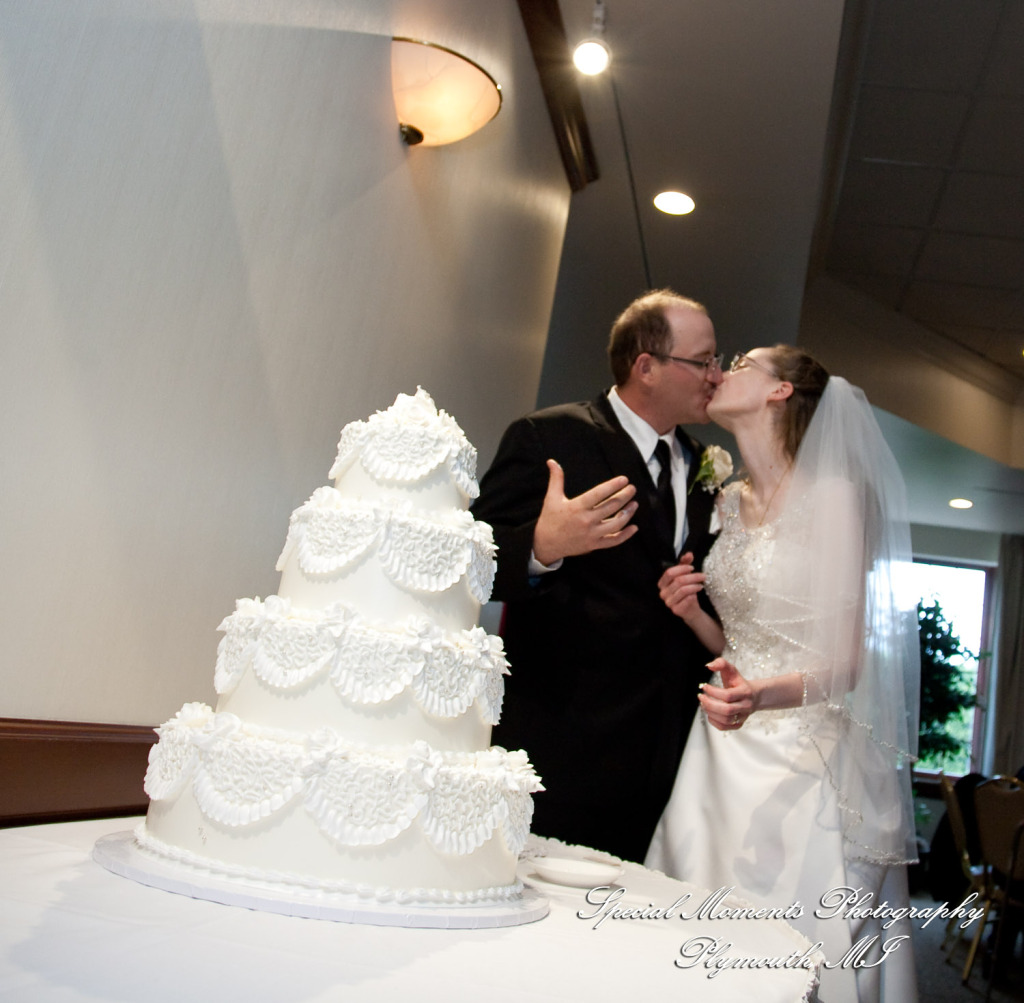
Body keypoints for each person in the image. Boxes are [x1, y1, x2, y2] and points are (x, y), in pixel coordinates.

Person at [646, 345, 920, 1002]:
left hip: (803, 756)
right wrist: (691, 615)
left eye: (741, 363)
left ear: (780, 393)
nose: (721, 371)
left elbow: (845, 664)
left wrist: (758, 696)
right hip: (718, 744)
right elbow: (740, 643)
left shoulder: (834, 499)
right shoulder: (728, 499)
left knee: (786, 946)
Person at [472, 290, 725, 863]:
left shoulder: (703, 463)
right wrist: (542, 546)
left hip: (668, 748)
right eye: (704, 360)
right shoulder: (550, 437)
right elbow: (472, 561)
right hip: (565, 738)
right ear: (647, 367)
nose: (716, 375)